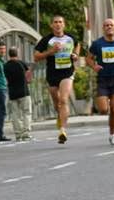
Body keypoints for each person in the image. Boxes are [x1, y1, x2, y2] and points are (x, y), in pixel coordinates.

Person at [33, 15, 80, 144]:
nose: (58, 24)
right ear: (52, 25)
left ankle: (62, 130)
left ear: (64, 25)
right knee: (57, 102)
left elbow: (77, 45)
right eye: (55, 22)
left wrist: (75, 55)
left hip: (67, 72)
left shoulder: (70, 38)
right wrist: (51, 52)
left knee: (64, 100)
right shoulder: (47, 40)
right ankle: (60, 117)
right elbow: (36, 57)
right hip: (52, 73)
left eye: (60, 22)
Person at [86, 18, 114, 146]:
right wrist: (94, 66)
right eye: (106, 25)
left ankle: (112, 135)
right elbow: (88, 58)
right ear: (103, 28)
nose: (109, 27)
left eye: (111, 25)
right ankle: (108, 108)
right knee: (103, 110)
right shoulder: (97, 44)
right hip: (103, 78)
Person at [3, 47, 32, 141]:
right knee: (26, 112)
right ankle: (26, 133)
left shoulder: (5, 66)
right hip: (24, 92)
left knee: (15, 114)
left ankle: (18, 134)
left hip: (12, 93)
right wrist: (27, 81)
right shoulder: (22, 64)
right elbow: (28, 76)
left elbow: (5, 79)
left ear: (9, 54)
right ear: (17, 53)